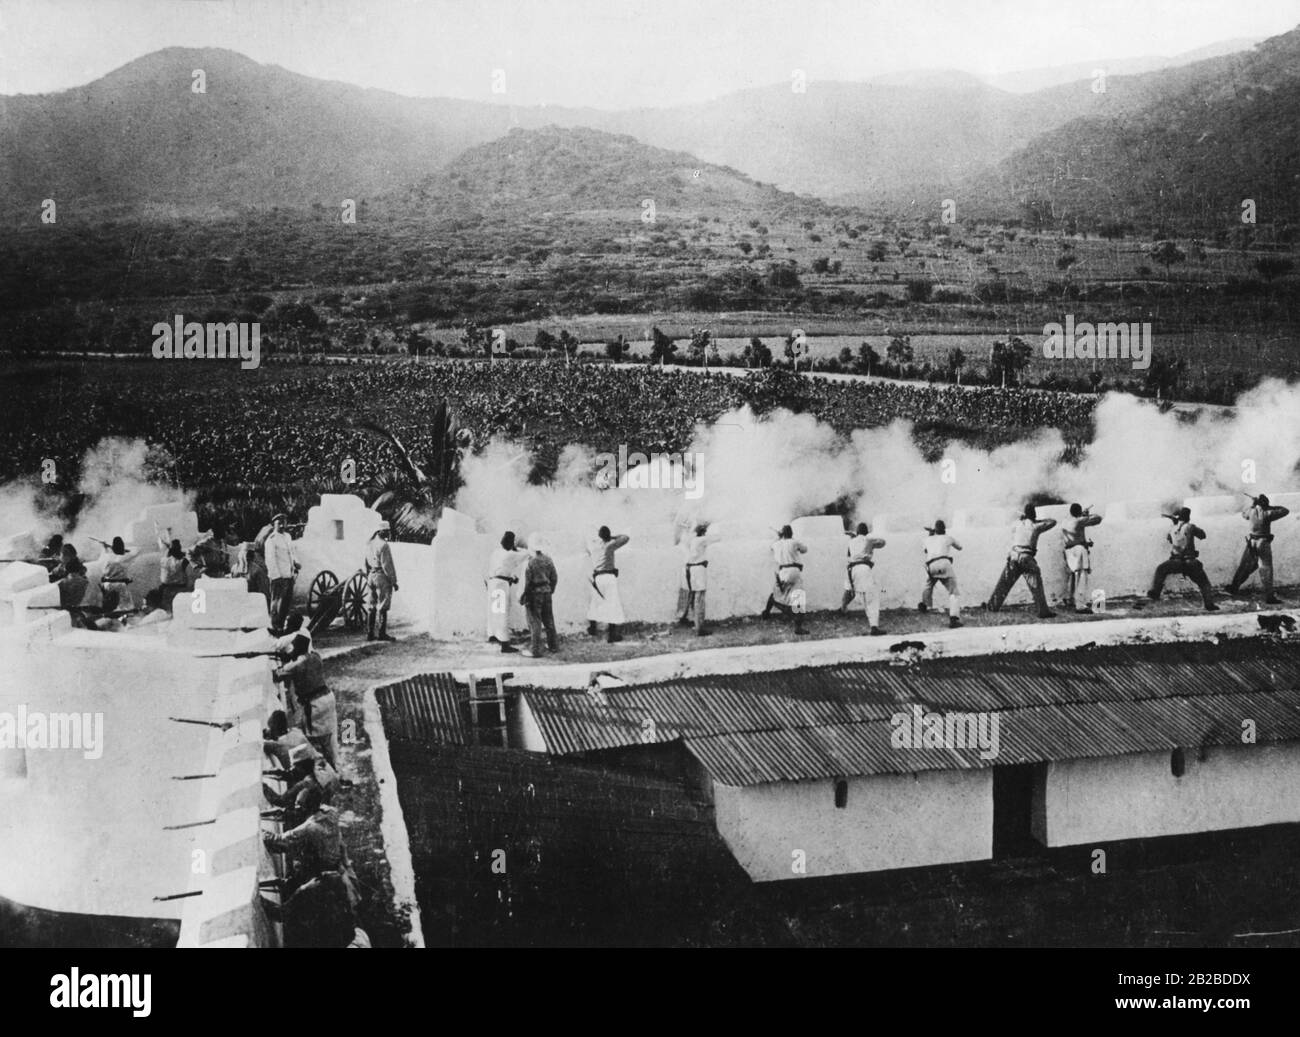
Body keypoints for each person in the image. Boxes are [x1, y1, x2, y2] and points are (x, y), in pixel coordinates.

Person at [273, 633, 338, 767]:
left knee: (313, 739)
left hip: (314, 704)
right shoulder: (315, 656)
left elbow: (278, 675)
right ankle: (337, 769)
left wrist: (287, 660)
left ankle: (323, 771)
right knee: (330, 738)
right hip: (328, 697)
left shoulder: (296, 665)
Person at [986, 505, 1057, 619]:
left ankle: (992, 606)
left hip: (1013, 556)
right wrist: (1036, 520)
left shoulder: (1017, 524)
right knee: (1036, 585)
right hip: (1026, 557)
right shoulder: (1036, 526)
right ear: (1034, 514)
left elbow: (1012, 525)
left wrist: (1024, 519)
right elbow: (1053, 522)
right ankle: (1043, 611)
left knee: (1004, 583)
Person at [1149, 507, 1218, 611]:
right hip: (1191, 562)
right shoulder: (1190, 526)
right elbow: (1203, 535)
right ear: (1188, 517)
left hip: (1176, 562)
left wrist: (1176, 525)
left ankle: (1155, 592)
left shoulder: (1172, 529)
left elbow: (1170, 540)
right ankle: (1209, 604)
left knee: (1160, 569)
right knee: (1204, 583)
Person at [1226, 494, 1289, 604]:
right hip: (1263, 542)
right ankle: (1269, 597)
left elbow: (1243, 514)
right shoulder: (1268, 513)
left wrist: (1253, 504)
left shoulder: (1251, 512)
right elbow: (1285, 510)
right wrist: (1270, 507)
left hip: (1251, 542)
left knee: (1244, 566)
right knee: (1266, 569)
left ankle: (1234, 587)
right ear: (1265, 503)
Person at [839, 522, 887, 635]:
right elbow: (883, 543)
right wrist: (869, 537)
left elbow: (848, 555)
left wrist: (855, 537)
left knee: (849, 590)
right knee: (871, 597)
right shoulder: (868, 540)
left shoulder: (851, 541)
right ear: (866, 532)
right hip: (863, 568)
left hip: (851, 569)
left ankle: (842, 608)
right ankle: (874, 626)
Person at [762, 524, 809, 635]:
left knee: (777, 593)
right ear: (791, 533)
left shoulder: (777, 544)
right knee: (798, 597)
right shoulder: (794, 542)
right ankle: (798, 627)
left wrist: (779, 537)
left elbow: (771, 547)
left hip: (782, 572)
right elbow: (805, 550)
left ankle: (766, 613)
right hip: (794, 571)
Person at [485, 531, 528, 653]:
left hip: (493, 582)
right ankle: (505, 644)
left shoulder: (496, 552)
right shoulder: (510, 555)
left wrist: (511, 577)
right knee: (502, 613)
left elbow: (503, 568)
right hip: (501, 585)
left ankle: (492, 635)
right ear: (511, 543)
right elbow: (526, 554)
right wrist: (516, 548)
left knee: (493, 611)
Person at [675, 522, 719, 636]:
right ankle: (699, 627)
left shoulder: (687, 540)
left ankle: (682, 617)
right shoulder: (701, 540)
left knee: (687, 594)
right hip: (698, 569)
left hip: (687, 568)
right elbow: (717, 538)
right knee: (699, 597)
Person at [588, 526, 630, 644]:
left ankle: (592, 629)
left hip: (597, 577)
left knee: (595, 603)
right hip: (609, 577)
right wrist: (612, 537)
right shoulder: (610, 545)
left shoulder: (594, 546)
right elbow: (626, 538)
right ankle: (612, 636)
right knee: (612, 604)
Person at [917, 519, 963, 628]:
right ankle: (954, 618)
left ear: (935, 530)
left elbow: (926, 551)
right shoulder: (948, 538)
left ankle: (925, 604)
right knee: (954, 592)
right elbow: (960, 547)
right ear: (944, 529)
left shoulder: (927, 539)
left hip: (931, 565)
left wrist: (931, 534)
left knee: (928, 584)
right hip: (944, 563)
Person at [519, 536, 559, 658]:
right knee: (549, 621)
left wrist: (522, 596)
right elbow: (554, 577)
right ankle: (553, 646)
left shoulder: (530, 562)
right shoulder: (548, 559)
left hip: (534, 593)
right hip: (546, 592)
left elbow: (526, 582)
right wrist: (551, 589)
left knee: (535, 622)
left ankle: (535, 650)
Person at [1061, 503, 1103, 613]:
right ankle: (1080, 605)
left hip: (1068, 551)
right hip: (1079, 550)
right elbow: (1098, 519)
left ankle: (1070, 600)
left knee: (1073, 576)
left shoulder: (1065, 521)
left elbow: (1076, 534)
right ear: (1078, 512)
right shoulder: (1079, 521)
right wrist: (1085, 515)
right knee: (1081, 577)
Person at [264, 513, 300, 635]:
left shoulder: (288, 537)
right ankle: (274, 627)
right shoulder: (271, 540)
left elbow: (292, 552)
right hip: (278, 577)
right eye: (279, 523)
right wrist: (277, 576)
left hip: (288, 576)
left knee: (285, 603)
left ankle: (281, 626)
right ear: (274, 524)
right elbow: (271, 560)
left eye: (283, 522)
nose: (282, 525)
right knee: (276, 603)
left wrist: (296, 563)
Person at [363, 522, 399, 642]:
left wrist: (368, 575)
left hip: (371, 576)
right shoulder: (384, 545)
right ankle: (382, 634)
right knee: (383, 605)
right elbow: (387, 566)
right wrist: (394, 581)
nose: (388, 533)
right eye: (386, 531)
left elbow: (366, 562)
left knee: (371, 606)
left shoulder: (369, 544)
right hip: (381, 577)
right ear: (380, 531)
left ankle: (370, 634)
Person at [97, 536, 138, 613]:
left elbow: (103, 556)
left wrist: (104, 547)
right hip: (121, 585)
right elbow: (135, 551)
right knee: (127, 608)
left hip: (108, 585)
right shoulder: (125, 558)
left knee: (111, 608)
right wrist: (124, 550)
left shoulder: (108, 557)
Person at [155, 533, 191, 612]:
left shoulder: (164, 560)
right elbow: (188, 556)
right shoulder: (182, 562)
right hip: (180, 589)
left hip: (167, 589)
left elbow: (168, 555)